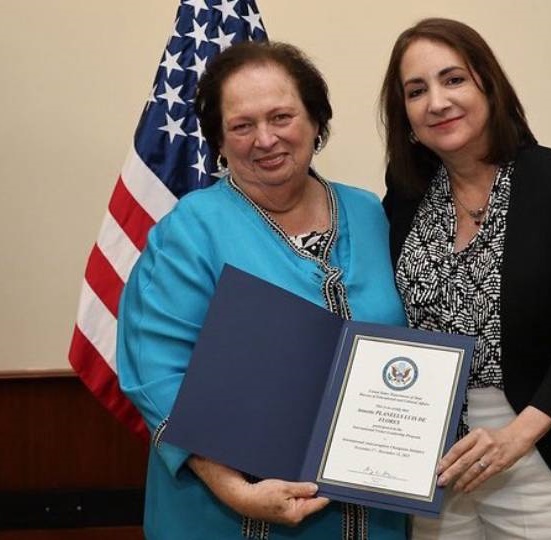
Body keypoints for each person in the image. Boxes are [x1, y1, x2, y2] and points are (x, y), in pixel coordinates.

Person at [117, 41, 407, 540]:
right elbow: (156, 372)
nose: (266, 139)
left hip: (370, 511)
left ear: (316, 121)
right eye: (242, 125)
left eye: (281, 116)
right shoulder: (189, 230)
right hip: (226, 512)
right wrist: (232, 487)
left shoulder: (371, 213)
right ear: (220, 141)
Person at [380, 18, 551, 539]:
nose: (437, 102)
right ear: (405, 115)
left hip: (534, 441)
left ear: (488, 84)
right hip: (427, 446)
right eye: (416, 90)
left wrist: (515, 438)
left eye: (453, 79)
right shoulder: (405, 194)